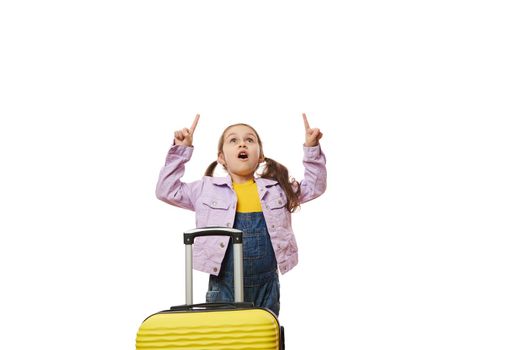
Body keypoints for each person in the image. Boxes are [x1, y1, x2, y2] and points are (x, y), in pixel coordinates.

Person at [156, 113, 327, 316]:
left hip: (266, 285)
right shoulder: (206, 189)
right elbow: (166, 190)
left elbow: (315, 187)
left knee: (263, 337)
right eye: (233, 140)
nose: (242, 144)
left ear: (260, 156)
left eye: (249, 140)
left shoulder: (277, 188)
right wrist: (180, 151)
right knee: (225, 338)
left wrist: (312, 149)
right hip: (223, 285)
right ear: (221, 158)